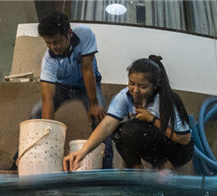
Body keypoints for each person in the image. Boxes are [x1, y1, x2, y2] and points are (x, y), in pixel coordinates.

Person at [16, 11, 113, 169]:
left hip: (86, 85)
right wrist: (49, 131)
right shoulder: (48, 61)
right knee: (37, 115)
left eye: (57, 41)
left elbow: (87, 69)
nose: (54, 47)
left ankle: (107, 167)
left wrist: (94, 104)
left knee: (101, 119)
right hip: (62, 87)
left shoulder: (85, 34)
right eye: (48, 43)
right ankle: (21, 161)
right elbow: (48, 100)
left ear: (69, 33)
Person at [64, 55, 192, 172]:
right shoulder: (125, 96)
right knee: (119, 132)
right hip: (154, 142)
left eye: (143, 86)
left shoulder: (166, 100)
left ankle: (164, 166)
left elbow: (184, 140)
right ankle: (137, 171)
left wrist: (152, 119)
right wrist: (82, 153)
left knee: (131, 129)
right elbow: (107, 125)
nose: (135, 90)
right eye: (131, 83)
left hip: (179, 150)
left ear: (154, 86)